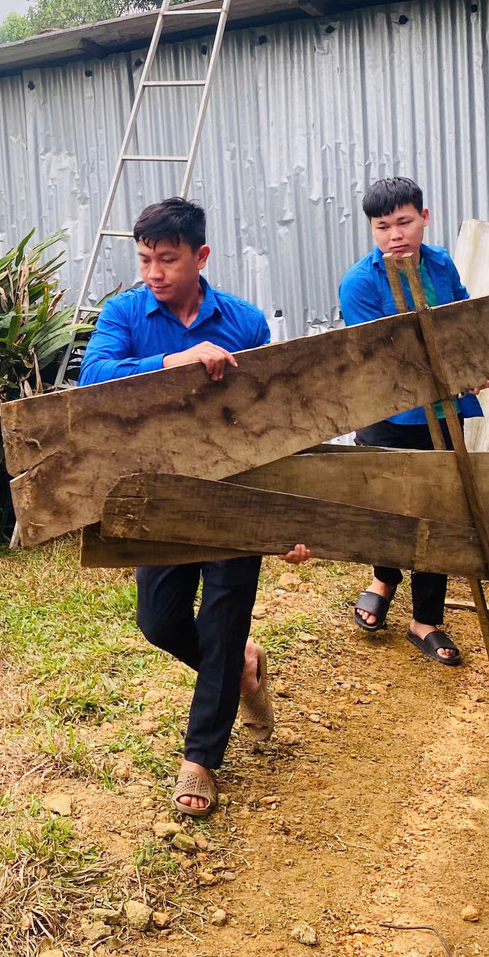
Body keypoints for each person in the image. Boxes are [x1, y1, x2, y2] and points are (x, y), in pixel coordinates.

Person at [79, 197, 310, 817]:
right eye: (146, 259)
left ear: (200, 256)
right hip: (159, 496)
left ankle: (200, 761)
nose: (154, 272)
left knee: (224, 618)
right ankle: (241, 667)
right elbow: (93, 377)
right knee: (158, 621)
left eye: (167, 259)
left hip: (233, 496)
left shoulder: (246, 322)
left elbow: (275, 423)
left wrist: (286, 518)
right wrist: (169, 362)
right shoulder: (125, 313)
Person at [339, 177, 489, 667]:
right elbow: (379, 362)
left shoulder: (441, 263)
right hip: (385, 416)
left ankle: (425, 619)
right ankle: (384, 577)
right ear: (372, 230)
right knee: (387, 508)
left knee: (444, 513)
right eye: (382, 227)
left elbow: (460, 323)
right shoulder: (359, 283)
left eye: (404, 222)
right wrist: (450, 375)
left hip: (442, 415)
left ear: (425, 218)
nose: (395, 235)